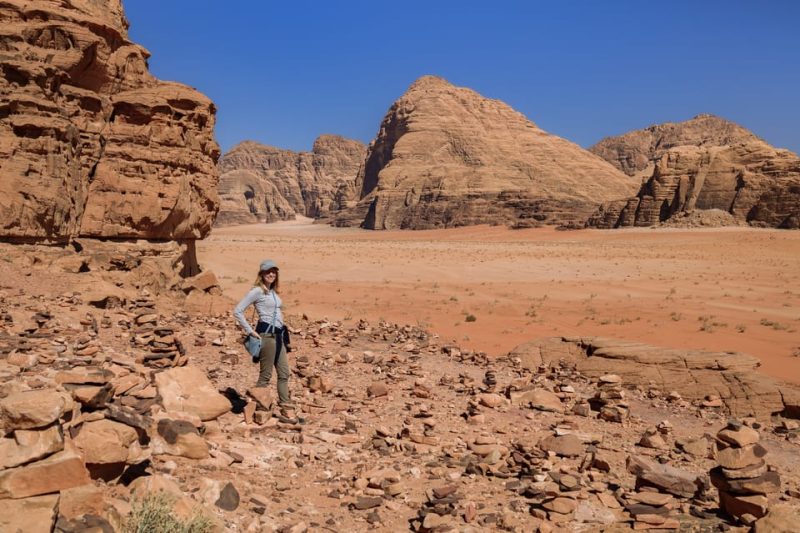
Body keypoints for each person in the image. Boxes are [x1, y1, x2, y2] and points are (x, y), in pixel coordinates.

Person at [233, 259, 292, 409]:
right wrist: (250, 331)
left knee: (284, 373)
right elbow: (238, 311)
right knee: (266, 376)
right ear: (261, 274)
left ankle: (286, 405)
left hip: (279, 336)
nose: (271, 274)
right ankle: (258, 408)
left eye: (273, 272)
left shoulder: (272, 292)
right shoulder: (257, 291)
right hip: (267, 336)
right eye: (268, 271)